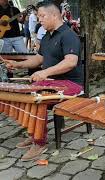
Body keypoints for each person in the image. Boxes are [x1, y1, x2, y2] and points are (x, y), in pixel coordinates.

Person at [4, 1, 83, 161]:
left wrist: (45, 73)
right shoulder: (46, 36)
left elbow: (70, 62)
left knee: (38, 95)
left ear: (54, 15)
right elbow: (38, 59)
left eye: (42, 16)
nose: (38, 19)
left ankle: (39, 142)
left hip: (71, 85)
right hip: (51, 84)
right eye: (38, 16)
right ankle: (34, 132)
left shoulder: (69, 35)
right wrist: (17, 65)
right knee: (31, 91)